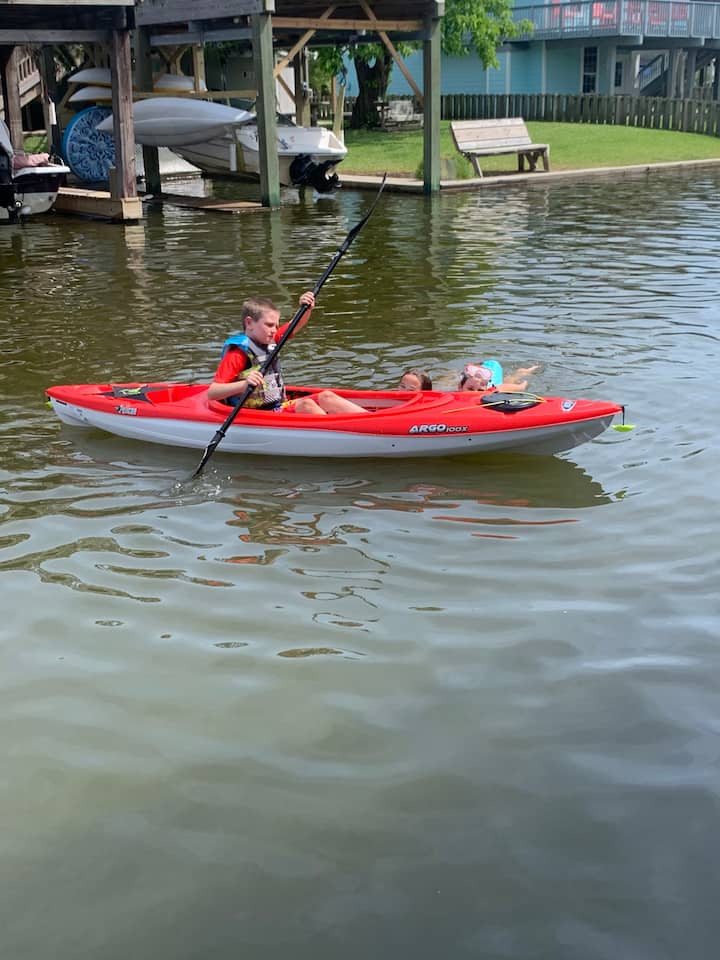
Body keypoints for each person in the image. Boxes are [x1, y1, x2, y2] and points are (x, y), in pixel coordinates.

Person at [208, 291, 367, 415]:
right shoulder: (237, 354)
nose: (274, 330)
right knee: (306, 405)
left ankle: (367, 421)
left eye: (276, 326)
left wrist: (306, 308)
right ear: (249, 323)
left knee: (327, 396)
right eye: (269, 325)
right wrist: (243, 385)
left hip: (278, 405)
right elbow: (213, 392)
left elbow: (295, 324)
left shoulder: (272, 340)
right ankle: (338, 432)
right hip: (259, 413)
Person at [458, 360, 540, 394]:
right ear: (460, 387)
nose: (474, 393)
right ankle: (478, 365)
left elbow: (521, 387)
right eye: (470, 389)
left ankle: (522, 371)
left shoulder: (495, 390)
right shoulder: (458, 388)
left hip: (494, 367)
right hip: (484, 371)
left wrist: (523, 384)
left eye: (480, 390)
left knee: (510, 380)